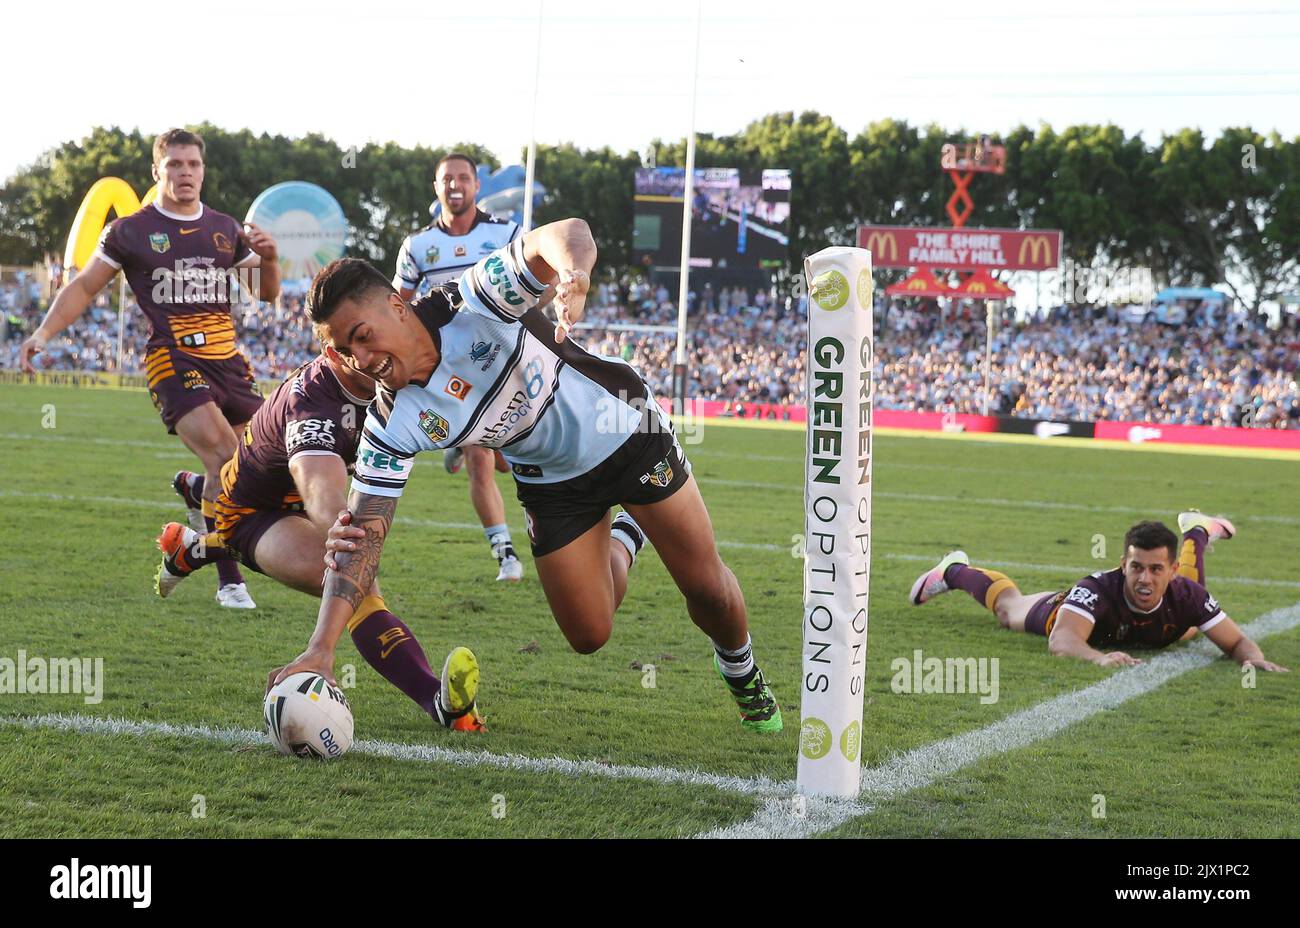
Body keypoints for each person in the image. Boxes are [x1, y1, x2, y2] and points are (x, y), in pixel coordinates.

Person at [272, 218, 782, 733]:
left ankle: (741, 669)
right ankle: (629, 531)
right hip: (551, 483)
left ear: (397, 306)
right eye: (345, 350)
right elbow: (361, 538)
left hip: (625, 431)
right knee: (589, 633)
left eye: (362, 336)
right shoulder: (390, 420)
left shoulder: (473, 300)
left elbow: (568, 233)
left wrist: (574, 273)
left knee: (706, 590)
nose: (361, 359)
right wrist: (320, 650)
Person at [154, 349, 484, 731]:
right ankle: (439, 704)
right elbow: (318, 487)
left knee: (353, 571)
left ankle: (193, 549)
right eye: (361, 339)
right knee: (355, 581)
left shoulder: (394, 375)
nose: (380, 348)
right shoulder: (312, 399)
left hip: (289, 498)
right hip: (254, 511)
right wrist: (340, 528)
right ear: (336, 351)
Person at [19, 128, 280, 609]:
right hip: (173, 360)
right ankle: (230, 582)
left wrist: (270, 257)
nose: (186, 173)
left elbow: (264, 292)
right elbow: (82, 287)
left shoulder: (224, 227)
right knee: (225, 455)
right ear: (157, 171)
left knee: (255, 468)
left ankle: (194, 503)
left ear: (203, 170)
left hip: (229, 363)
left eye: (193, 165)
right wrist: (42, 334)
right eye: (175, 165)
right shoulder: (131, 231)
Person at [910, 512, 1289, 672]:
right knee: (1009, 612)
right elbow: (1062, 642)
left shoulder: (1185, 593)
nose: (1144, 578)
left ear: (1171, 572)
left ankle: (1196, 532)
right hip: (1072, 616)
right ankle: (954, 569)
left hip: (1163, 618)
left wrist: (1251, 658)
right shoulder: (1094, 591)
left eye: (1156, 569)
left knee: (1190, 619)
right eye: (1136, 566)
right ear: (1123, 564)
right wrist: (1098, 658)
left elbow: (1237, 642)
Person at [392, 151, 524, 582]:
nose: (455, 185)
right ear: (436, 187)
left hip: (505, 360)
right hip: (452, 371)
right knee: (482, 460)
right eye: (447, 178)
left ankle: (459, 439)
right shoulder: (417, 246)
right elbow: (399, 309)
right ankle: (506, 554)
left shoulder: (508, 234)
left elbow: (532, 288)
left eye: (463, 178)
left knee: (510, 455)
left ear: (476, 185)